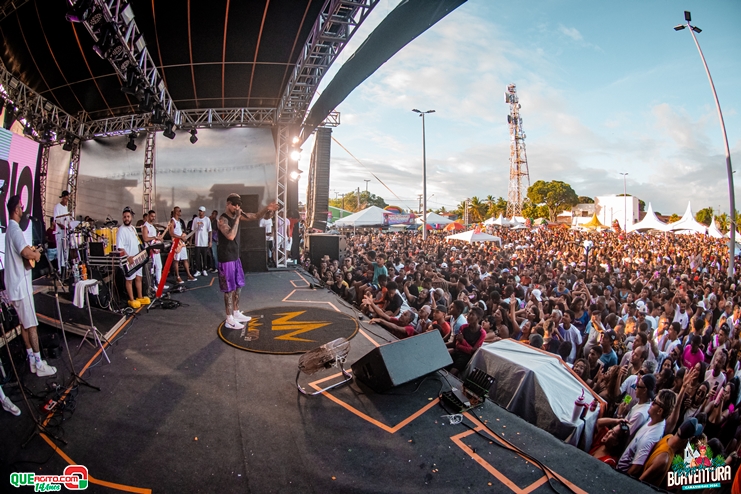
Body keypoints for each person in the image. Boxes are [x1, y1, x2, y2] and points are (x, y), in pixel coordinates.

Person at [4, 195, 56, 377]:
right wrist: (35, 255)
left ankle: (32, 361)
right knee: (32, 325)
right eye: (21, 207)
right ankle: (40, 364)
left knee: (24, 325)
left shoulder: (10, 230)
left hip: (15, 287)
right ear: (16, 210)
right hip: (21, 287)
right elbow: (25, 252)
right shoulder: (16, 230)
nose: (22, 210)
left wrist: (33, 252)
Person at [217, 193, 277, 329]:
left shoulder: (238, 215)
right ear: (228, 204)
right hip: (226, 258)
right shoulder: (222, 219)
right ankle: (229, 319)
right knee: (229, 290)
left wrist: (267, 208)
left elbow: (255, 216)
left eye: (238, 205)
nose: (237, 207)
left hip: (235, 256)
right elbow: (230, 236)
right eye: (234, 205)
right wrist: (238, 218)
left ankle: (236, 312)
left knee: (238, 286)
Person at [617, 389, 677, 476]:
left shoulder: (649, 438)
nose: (651, 403)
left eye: (655, 402)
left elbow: (636, 468)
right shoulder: (656, 420)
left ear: (660, 411)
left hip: (621, 473)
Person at [639, 418, 703, 487]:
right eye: (691, 440)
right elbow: (640, 481)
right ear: (687, 440)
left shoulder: (669, 437)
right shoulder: (663, 460)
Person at [117, 207, 150, 309]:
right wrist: (128, 257)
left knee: (139, 278)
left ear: (131, 217)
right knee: (129, 280)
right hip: (128, 260)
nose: (126, 218)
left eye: (128, 216)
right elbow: (120, 247)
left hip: (137, 258)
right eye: (125, 217)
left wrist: (142, 253)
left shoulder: (133, 228)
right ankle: (131, 300)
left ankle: (139, 297)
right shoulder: (121, 230)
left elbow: (137, 242)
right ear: (122, 218)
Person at [141, 209, 168, 290]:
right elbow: (145, 238)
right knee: (151, 269)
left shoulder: (153, 226)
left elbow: (155, 239)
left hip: (156, 249)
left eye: (154, 217)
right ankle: (152, 285)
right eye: (152, 216)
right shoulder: (145, 226)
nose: (153, 218)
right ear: (148, 216)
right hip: (150, 250)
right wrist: (154, 237)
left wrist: (159, 239)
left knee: (159, 266)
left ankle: (159, 283)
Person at [169, 206, 196, 284]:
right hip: (176, 243)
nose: (180, 212)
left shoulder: (179, 221)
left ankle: (189, 275)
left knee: (185, 259)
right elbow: (171, 233)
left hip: (181, 242)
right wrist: (181, 237)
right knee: (176, 260)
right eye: (179, 211)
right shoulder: (172, 221)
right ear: (176, 212)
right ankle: (177, 277)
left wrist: (183, 236)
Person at [53, 190, 71, 270]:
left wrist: (69, 226)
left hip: (66, 232)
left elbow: (67, 219)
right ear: (62, 198)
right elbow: (56, 220)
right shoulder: (57, 207)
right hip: (59, 232)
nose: (66, 201)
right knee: (60, 251)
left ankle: (65, 267)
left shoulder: (66, 207)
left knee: (66, 250)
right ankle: (60, 269)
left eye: (67, 199)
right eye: (65, 199)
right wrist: (63, 227)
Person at [192, 206, 212, 277]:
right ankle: (198, 270)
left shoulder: (207, 219)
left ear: (204, 212)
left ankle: (204, 269)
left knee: (204, 257)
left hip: (204, 241)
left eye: (201, 211)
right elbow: (193, 230)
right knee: (197, 257)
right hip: (197, 241)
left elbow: (210, 231)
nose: (200, 212)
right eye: (199, 211)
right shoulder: (195, 219)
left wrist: (210, 241)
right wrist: (191, 240)